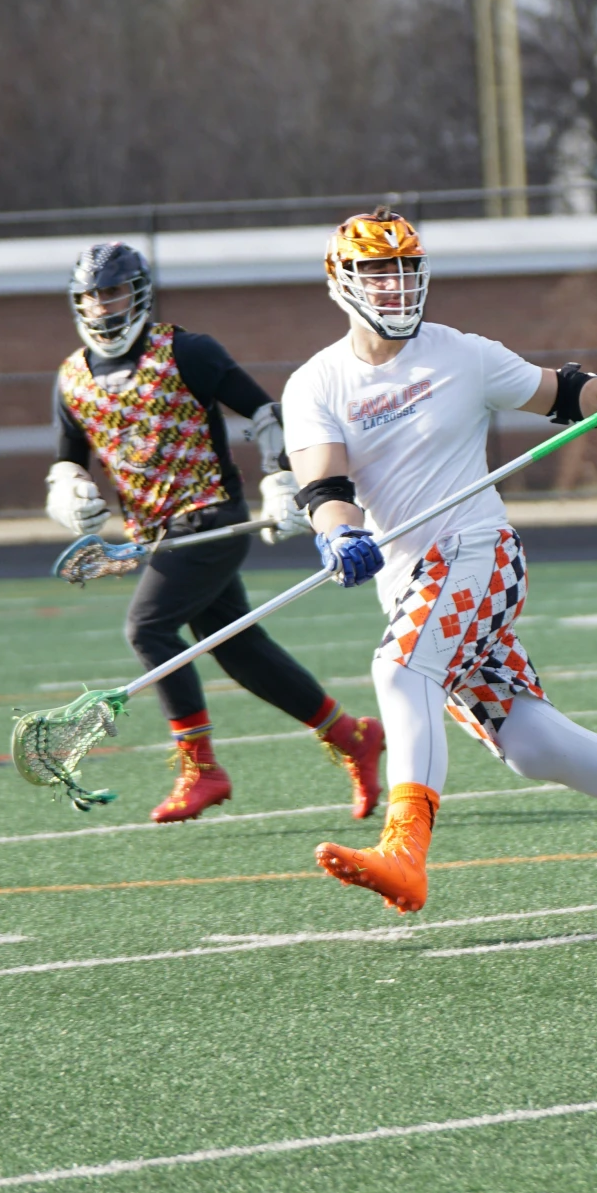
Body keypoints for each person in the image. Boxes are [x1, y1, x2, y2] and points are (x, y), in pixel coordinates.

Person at [280, 207, 597, 915]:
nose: (395, 287)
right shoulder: (316, 383)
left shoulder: (462, 354)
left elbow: (565, 394)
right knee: (532, 745)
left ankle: (404, 853)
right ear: (340, 280)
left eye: (406, 270)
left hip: (478, 553)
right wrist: (339, 534)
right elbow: (325, 486)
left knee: (400, 668)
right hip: (410, 582)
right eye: (378, 273)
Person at [45, 240, 384, 823]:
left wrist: (282, 480)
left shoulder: (185, 351)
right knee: (238, 647)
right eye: (92, 295)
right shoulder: (72, 377)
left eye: (114, 291)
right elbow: (68, 460)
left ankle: (201, 768)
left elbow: (264, 413)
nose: (103, 306)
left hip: (211, 519)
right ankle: (351, 735)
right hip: (157, 532)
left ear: (139, 293)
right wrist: (69, 496)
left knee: (148, 628)